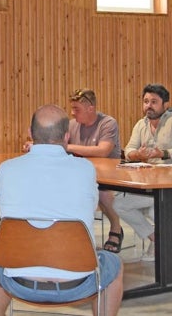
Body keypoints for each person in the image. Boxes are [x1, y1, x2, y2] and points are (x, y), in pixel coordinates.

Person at [0, 105, 123, 316]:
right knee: (114, 263)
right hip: (78, 282)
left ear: (30, 133)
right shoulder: (85, 170)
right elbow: (88, 212)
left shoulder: (6, 169)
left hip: (17, 282)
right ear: (67, 136)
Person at [117, 83, 172, 260]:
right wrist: (137, 154)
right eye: (145, 101)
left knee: (157, 209)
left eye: (154, 102)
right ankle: (157, 240)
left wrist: (164, 153)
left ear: (165, 105)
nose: (148, 106)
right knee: (119, 205)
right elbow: (128, 149)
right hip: (152, 184)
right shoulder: (140, 125)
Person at [66, 88, 125, 253]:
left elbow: (103, 151)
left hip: (108, 177)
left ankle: (116, 229)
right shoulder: (72, 125)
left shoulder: (107, 123)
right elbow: (58, 144)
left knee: (103, 194)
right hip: (81, 175)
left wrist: (68, 146)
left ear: (90, 108)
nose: (72, 113)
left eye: (76, 109)